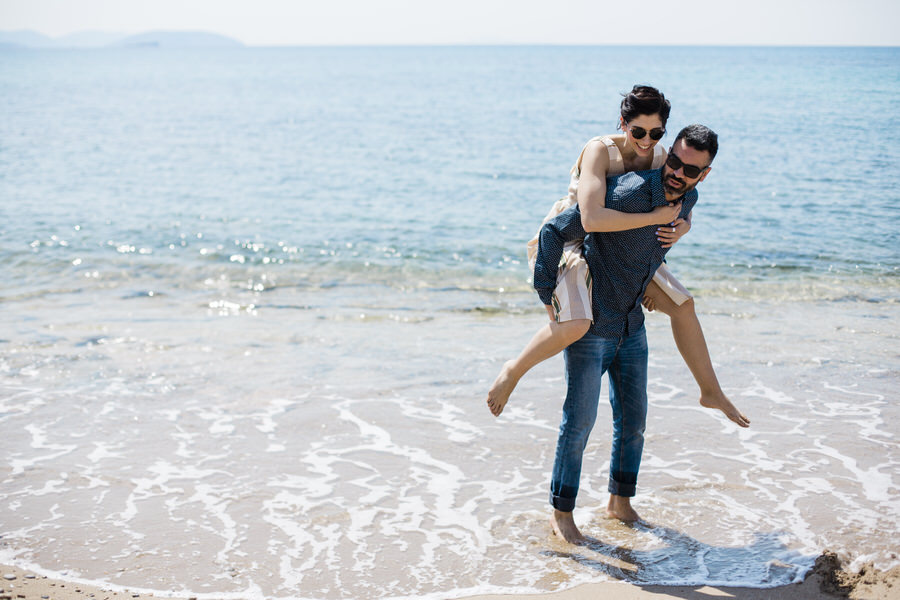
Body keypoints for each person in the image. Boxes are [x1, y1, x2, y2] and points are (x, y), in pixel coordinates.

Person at [486, 86, 749, 431]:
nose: (645, 140)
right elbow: (589, 220)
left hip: (618, 243)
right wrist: (655, 220)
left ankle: (710, 391)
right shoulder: (600, 151)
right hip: (570, 239)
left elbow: (684, 196)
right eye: (638, 131)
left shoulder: (664, 159)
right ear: (623, 123)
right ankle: (513, 370)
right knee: (578, 324)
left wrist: (683, 227)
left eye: (655, 134)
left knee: (683, 306)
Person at [533, 124, 724, 544]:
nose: (677, 173)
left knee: (634, 421)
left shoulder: (688, 197)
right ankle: (561, 513)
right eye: (673, 161)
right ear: (667, 153)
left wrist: (653, 274)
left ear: (703, 175)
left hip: (632, 326)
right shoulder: (628, 193)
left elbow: (669, 228)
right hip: (594, 326)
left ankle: (619, 503)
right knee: (579, 422)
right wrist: (546, 294)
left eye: (690, 170)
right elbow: (554, 232)